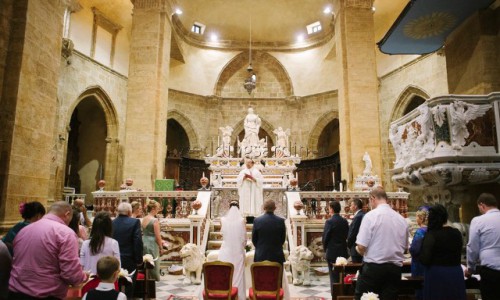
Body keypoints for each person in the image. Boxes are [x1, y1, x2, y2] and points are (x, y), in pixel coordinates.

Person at [8, 201, 88, 299]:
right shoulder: (65, 233)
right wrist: (84, 277)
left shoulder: (24, 230)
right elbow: (70, 274)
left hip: (14, 292)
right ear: (67, 214)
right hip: (45, 294)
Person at [354, 187, 408, 300]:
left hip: (374, 268)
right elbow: (405, 248)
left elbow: (362, 246)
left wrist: (359, 250)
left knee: (363, 297)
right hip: (394, 269)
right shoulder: (401, 219)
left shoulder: (370, 216)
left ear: (373, 198)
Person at [419, 204, 465, 300]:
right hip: (455, 272)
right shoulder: (456, 233)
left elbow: (425, 259)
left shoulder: (431, 235)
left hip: (437, 274)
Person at [466, 193, 500, 300]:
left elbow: (472, 247)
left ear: (482, 205)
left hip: (491, 270)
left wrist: (470, 268)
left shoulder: (478, 221)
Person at [112, 202, 143, 297]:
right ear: (130, 212)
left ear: (117, 211)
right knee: (129, 286)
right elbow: (137, 241)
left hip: (113, 259)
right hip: (129, 259)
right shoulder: (134, 222)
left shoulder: (112, 222)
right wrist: (139, 260)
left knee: (115, 284)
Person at [218, 201, 247, 300]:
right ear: (239, 208)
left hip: (225, 250)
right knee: (238, 273)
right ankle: (238, 296)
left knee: (225, 272)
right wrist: (243, 247)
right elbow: (244, 239)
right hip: (238, 251)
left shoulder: (222, 219)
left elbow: (222, 235)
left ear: (228, 207)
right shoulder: (242, 220)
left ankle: (224, 294)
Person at [322, 201, 349, 292]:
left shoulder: (329, 221)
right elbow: (347, 235)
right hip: (342, 251)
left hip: (332, 252)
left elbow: (325, 237)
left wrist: (325, 250)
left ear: (332, 209)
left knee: (333, 276)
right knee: (342, 274)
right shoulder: (344, 221)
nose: (328, 210)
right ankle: (342, 293)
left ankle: (335, 294)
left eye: (329, 208)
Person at [252, 200, 286, 264]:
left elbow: (254, 239)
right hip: (276, 255)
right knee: (277, 274)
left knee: (261, 274)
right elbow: (282, 239)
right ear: (275, 208)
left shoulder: (257, 220)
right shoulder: (280, 221)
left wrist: (260, 247)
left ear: (264, 208)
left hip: (261, 255)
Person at [409, 206, 429, 300]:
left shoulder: (420, 231)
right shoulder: (431, 230)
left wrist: (410, 247)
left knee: (420, 287)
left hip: (419, 264)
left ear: (421, 218)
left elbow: (414, 250)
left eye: (417, 216)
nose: (416, 219)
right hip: (428, 263)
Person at [142, 199, 164, 281]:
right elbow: (158, 236)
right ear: (153, 208)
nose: (158, 210)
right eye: (158, 208)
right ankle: (153, 280)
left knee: (145, 262)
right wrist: (161, 247)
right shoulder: (155, 220)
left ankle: (146, 279)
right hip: (152, 243)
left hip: (144, 241)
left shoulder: (144, 218)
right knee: (153, 262)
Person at [347, 198, 365, 263]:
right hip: (360, 246)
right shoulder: (362, 214)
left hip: (355, 247)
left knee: (356, 267)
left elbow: (353, 232)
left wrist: (348, 244)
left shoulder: (358, 216)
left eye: (351, 205)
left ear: (355, 206)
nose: (350, 207)